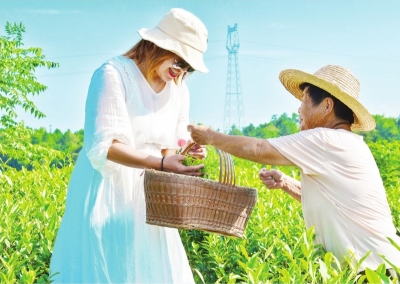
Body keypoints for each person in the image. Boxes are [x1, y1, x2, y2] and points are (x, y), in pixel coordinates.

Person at [187, 65, 400, 277]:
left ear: (327, 106)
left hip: (371, 272)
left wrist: (209, 137)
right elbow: (333, 203)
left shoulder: (326, 140)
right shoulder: (348, 143)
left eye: (305, 101)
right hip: (376, 268)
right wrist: (286, 183)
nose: (299, 110)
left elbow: (259, 149)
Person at [50, 8, 208, 283]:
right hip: (109, 188)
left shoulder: (179, 88)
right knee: (110, 266)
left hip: (152, 196)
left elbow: (168, 149)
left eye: (188, 67)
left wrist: (182, 154)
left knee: (155, 270)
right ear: (159, 44)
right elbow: (105, 146)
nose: (181, 71)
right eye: (180, 60)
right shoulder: (113, 73)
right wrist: (159, 163)